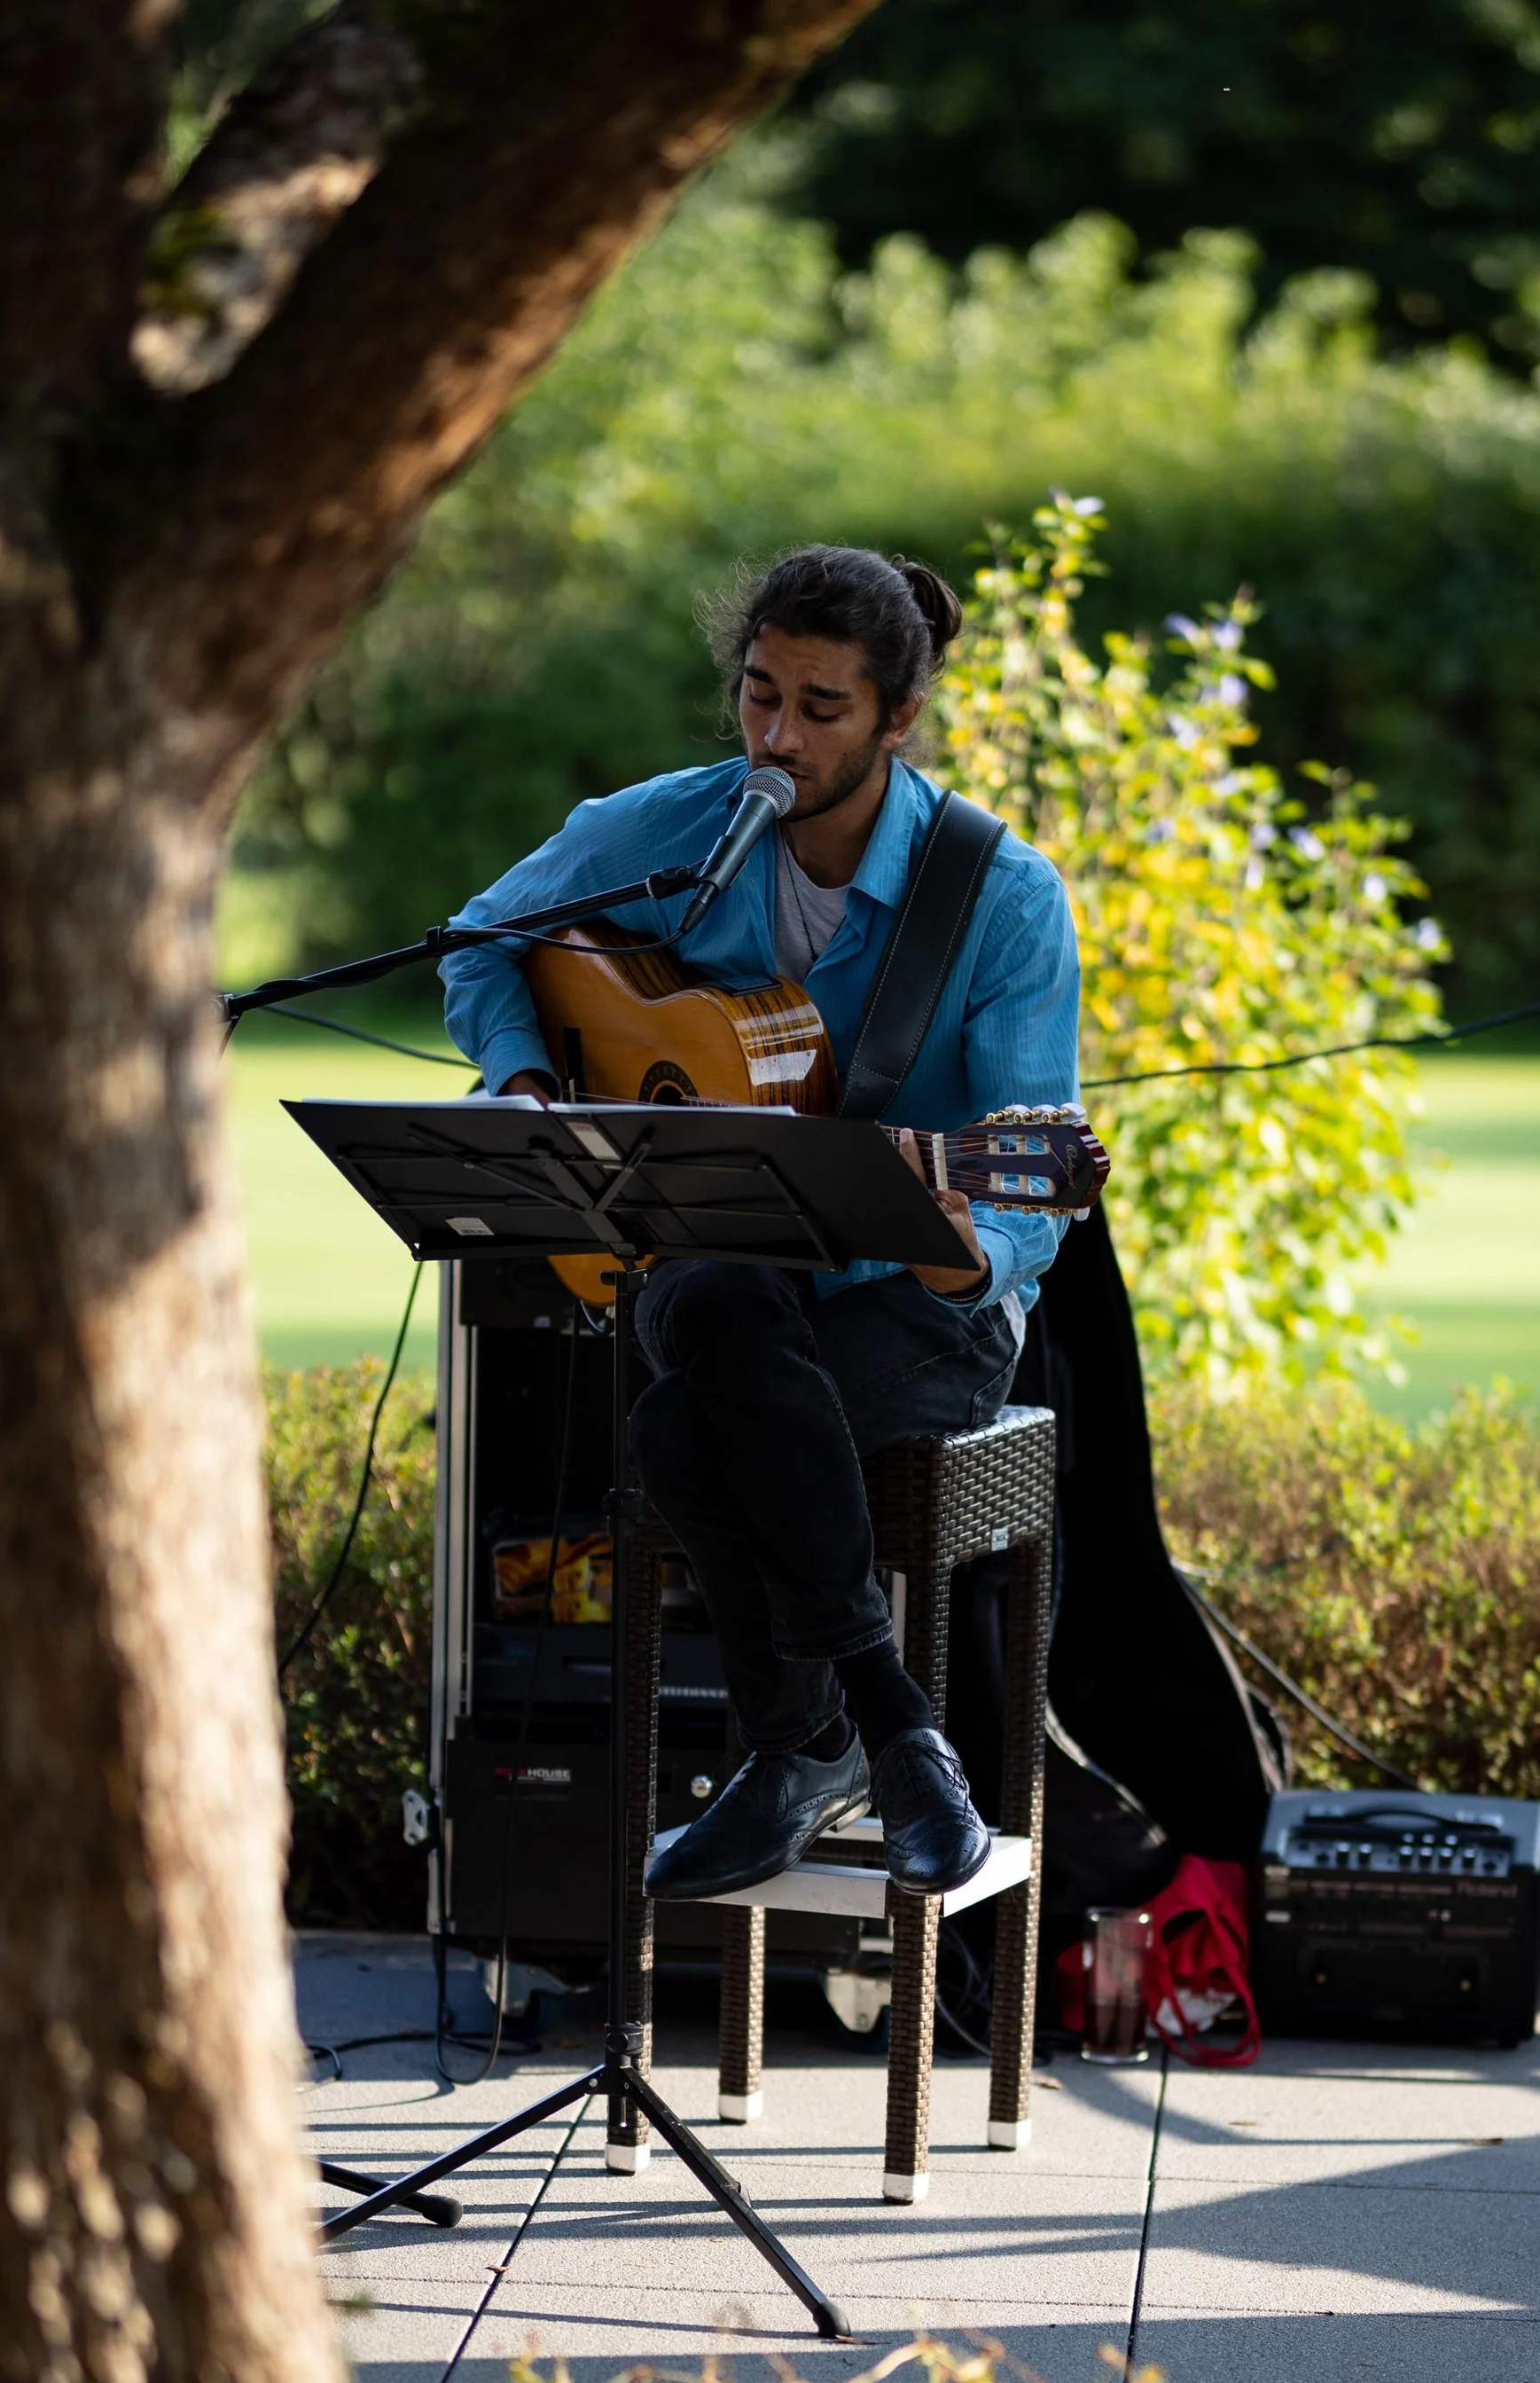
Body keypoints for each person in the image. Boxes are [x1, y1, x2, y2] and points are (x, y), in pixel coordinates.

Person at [441, 544, 1082, 1901]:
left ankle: (813, 1744)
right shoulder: (671, 825)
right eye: (757, 696)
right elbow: (483, 936)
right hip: (723, 1279)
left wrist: (965, 1233)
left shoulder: (1002, 897)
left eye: (821, 708)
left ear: (899, 717)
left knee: (682, 1422)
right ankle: (897, 1730)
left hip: (915, 1307)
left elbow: (1027, 1206)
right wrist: (528, 1079)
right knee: (719, 1305)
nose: (776, 740)